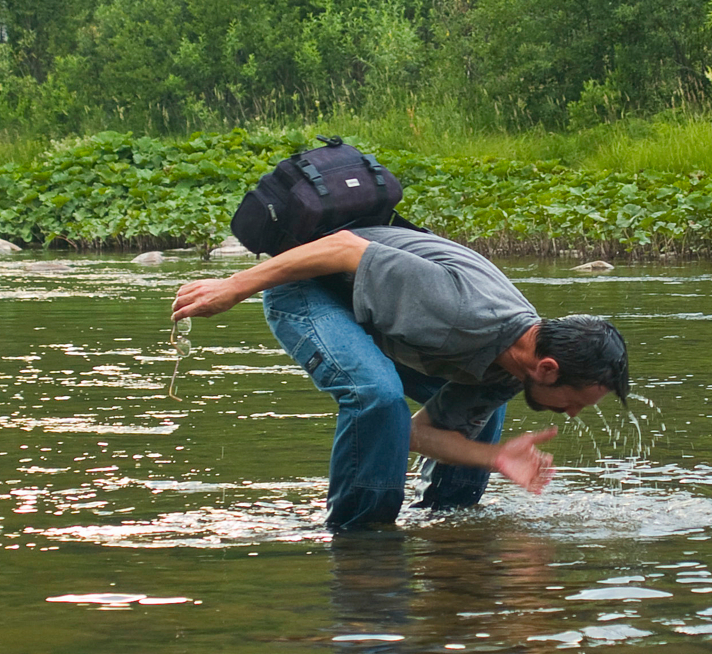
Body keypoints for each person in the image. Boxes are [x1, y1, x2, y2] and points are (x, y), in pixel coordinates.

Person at [172, 226, 630, 530]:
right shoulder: (461, 310)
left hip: (373, 314)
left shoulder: (513, 370)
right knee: (377, 396)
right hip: (306, 287)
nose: (572, 413)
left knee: (485, 417)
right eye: (576, 401)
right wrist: (233, 286)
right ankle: (359, 538)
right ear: (547, 368)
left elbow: (417, 435)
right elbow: (341, 247)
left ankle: (445, 529)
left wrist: (494, 457)